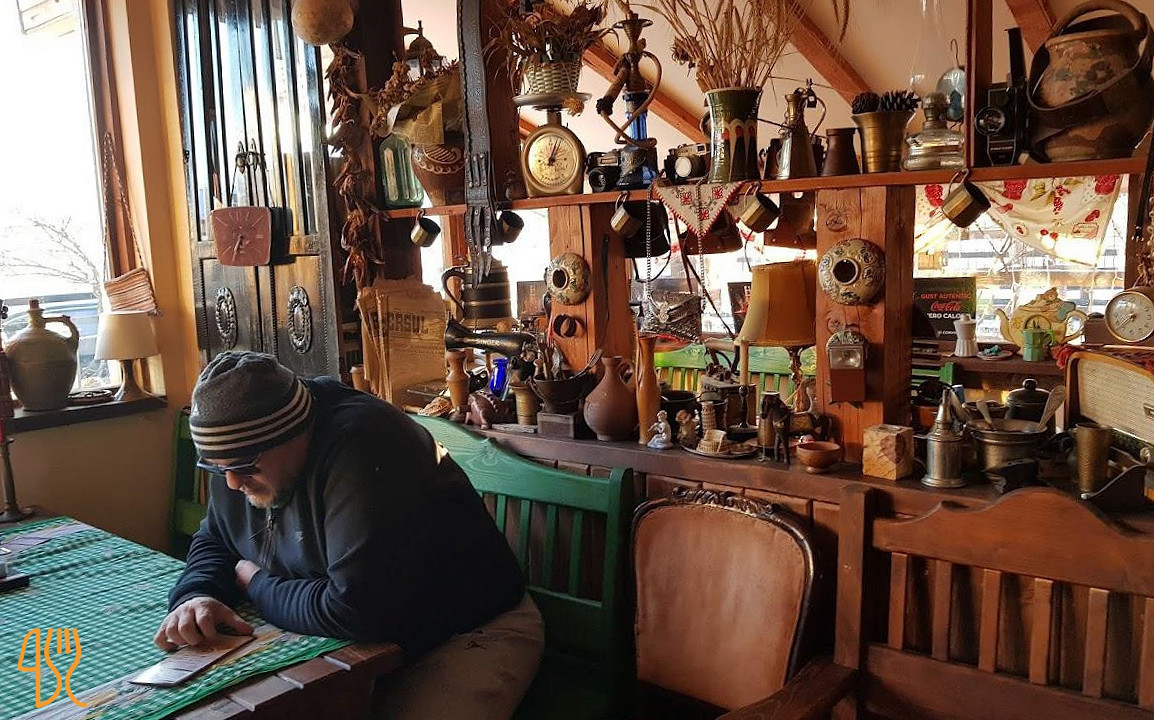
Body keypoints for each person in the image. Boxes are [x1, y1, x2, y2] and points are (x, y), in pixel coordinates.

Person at [155, 351, 543, 719]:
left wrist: (255, 582)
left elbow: (355, 610)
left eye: (243, 466)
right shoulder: (239, 455)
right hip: (365, 647)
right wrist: (197, 594)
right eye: (217, 467)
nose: (232, 482)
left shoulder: (365, 444)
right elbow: (216, 538)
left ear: (294, 433)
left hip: (470, 632)